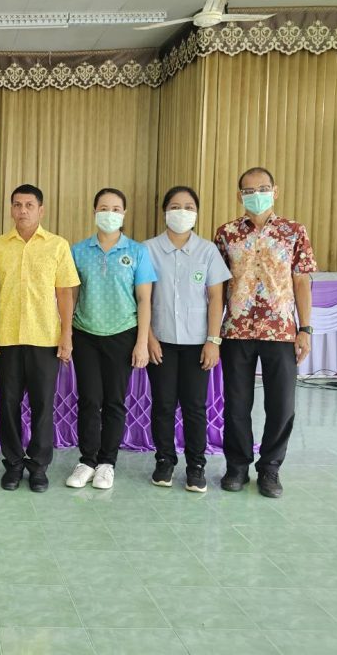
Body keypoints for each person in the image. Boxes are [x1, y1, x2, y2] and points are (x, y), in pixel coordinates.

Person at [215, 167, 316, 498]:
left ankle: (270, 467)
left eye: (262, 188)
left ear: (275, 191)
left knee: (281, 404)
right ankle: (237, 466)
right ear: (239, 195)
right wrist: (212, 334)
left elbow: (301, 282)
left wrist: (305, 329)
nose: (255, 195)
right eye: (248, 190)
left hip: (281, 332)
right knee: (237, 404)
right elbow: (217, 287)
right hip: (236, 331)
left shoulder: (293, 231)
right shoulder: (226, 233)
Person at [0, 185, 79, 493]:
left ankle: (38, 466)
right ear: (11, 210)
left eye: (29, 205)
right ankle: (13, 463)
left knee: (42, 405)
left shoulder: (57, 245)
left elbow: (65, 293)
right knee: (8, 403)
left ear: (41, 210)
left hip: (45, 338)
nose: (22, 210)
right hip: (8, 337)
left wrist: (66, 334)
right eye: (17, 205)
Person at [67, 187, 156, 490]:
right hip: (85, 334)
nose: (110, 214)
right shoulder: (79, 251)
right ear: (94, 212)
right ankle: (87, 460)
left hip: (123, 334)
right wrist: (66, 334)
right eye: (103, 208)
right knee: (89, 400)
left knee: (114, 402)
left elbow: (144, 300)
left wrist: (141, 342)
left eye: (116, 209)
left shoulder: (137, 252)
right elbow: (71, 296)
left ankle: (107, 463)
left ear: (124, 214)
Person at [144, 186, 231, 493]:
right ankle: (164, 461)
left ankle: (196, 466)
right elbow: (141, 298)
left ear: (196, 213)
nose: (182, 212)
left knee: (195, 406)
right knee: (163, 405)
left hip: (197, 343)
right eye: (175, 206)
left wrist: (213, 340)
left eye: (189, 206)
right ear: (165, 211)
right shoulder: (148, 249)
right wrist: (148, 338)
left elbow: (216, 298)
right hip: (161, 341)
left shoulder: (207, 251)